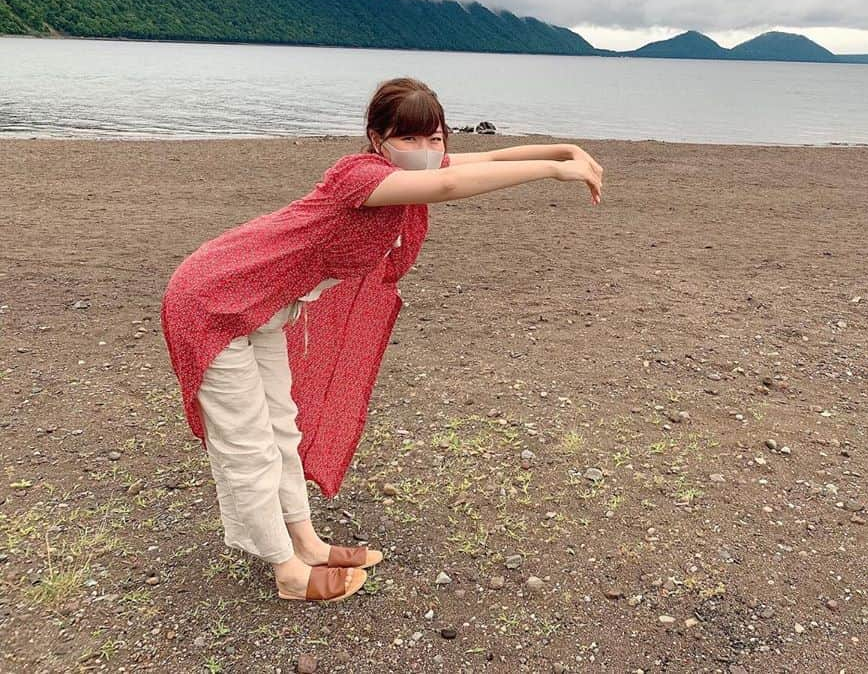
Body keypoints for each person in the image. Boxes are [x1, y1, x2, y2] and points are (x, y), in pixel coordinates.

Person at [160, 77, 603, 602]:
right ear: (376, 138)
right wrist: (555, 170)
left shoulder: (408, 169)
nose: (424, 151)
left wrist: (563, 148)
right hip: (211, 301)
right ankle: (287, 571)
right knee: (247, 443)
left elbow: (483, 160)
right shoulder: (361, 175)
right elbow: (446, 187)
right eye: (407, 138)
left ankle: (305, 540)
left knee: (282, 424)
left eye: (434, 139)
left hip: (260, 306)